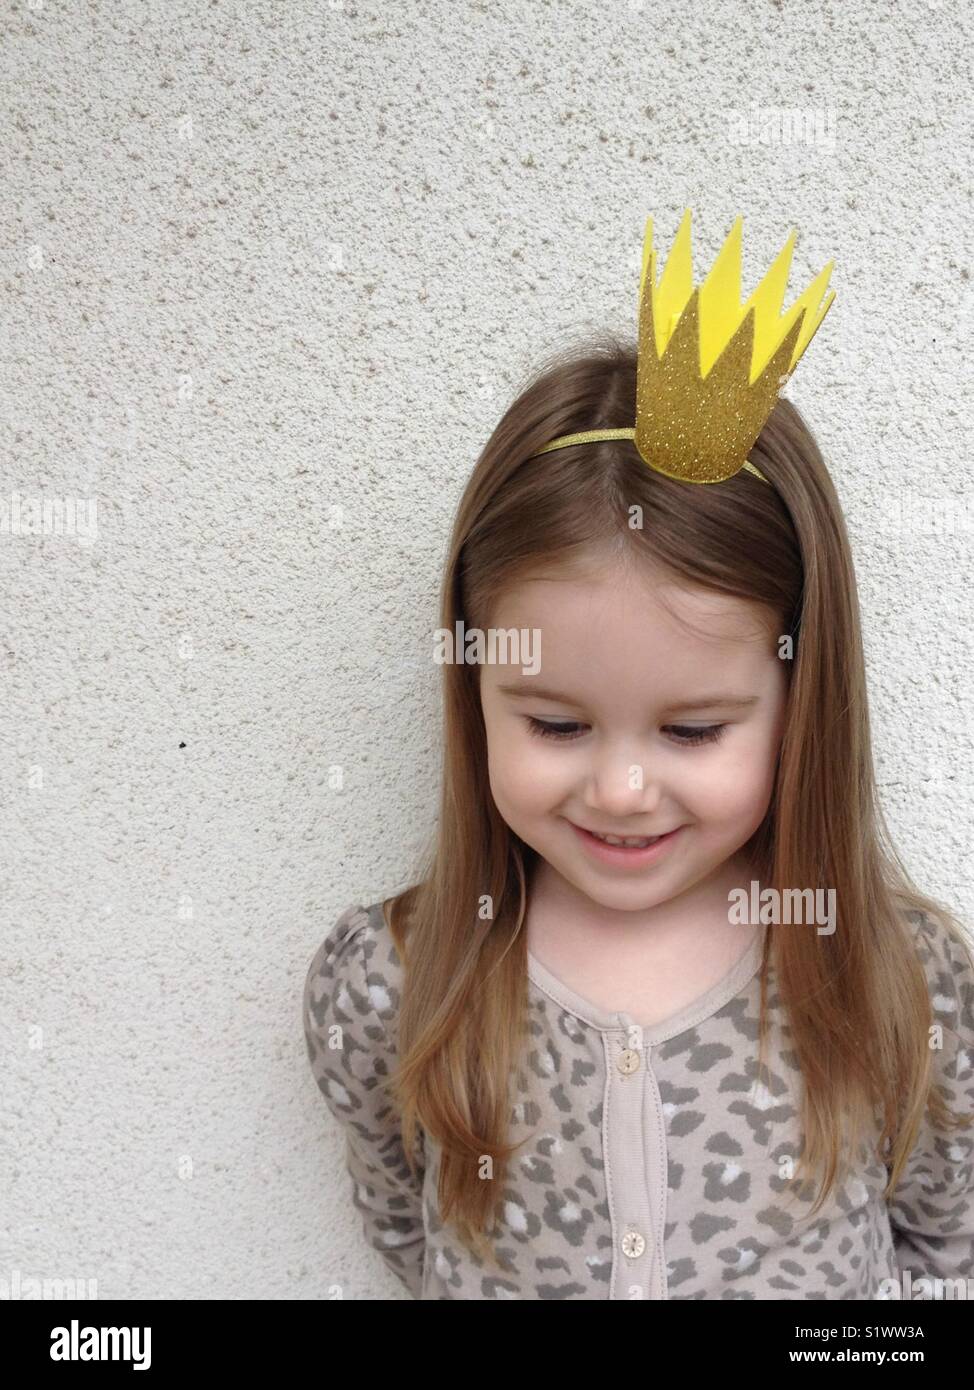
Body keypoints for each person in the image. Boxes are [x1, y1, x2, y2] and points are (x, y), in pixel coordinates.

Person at [303, 211, 974, 1299]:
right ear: (474, 684)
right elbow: (408, 1240)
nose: (618, 790)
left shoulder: (887, 974)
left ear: (802, 698)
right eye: (556, 725)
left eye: (693, 729)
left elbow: (942, 1255)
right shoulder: (397, 981)